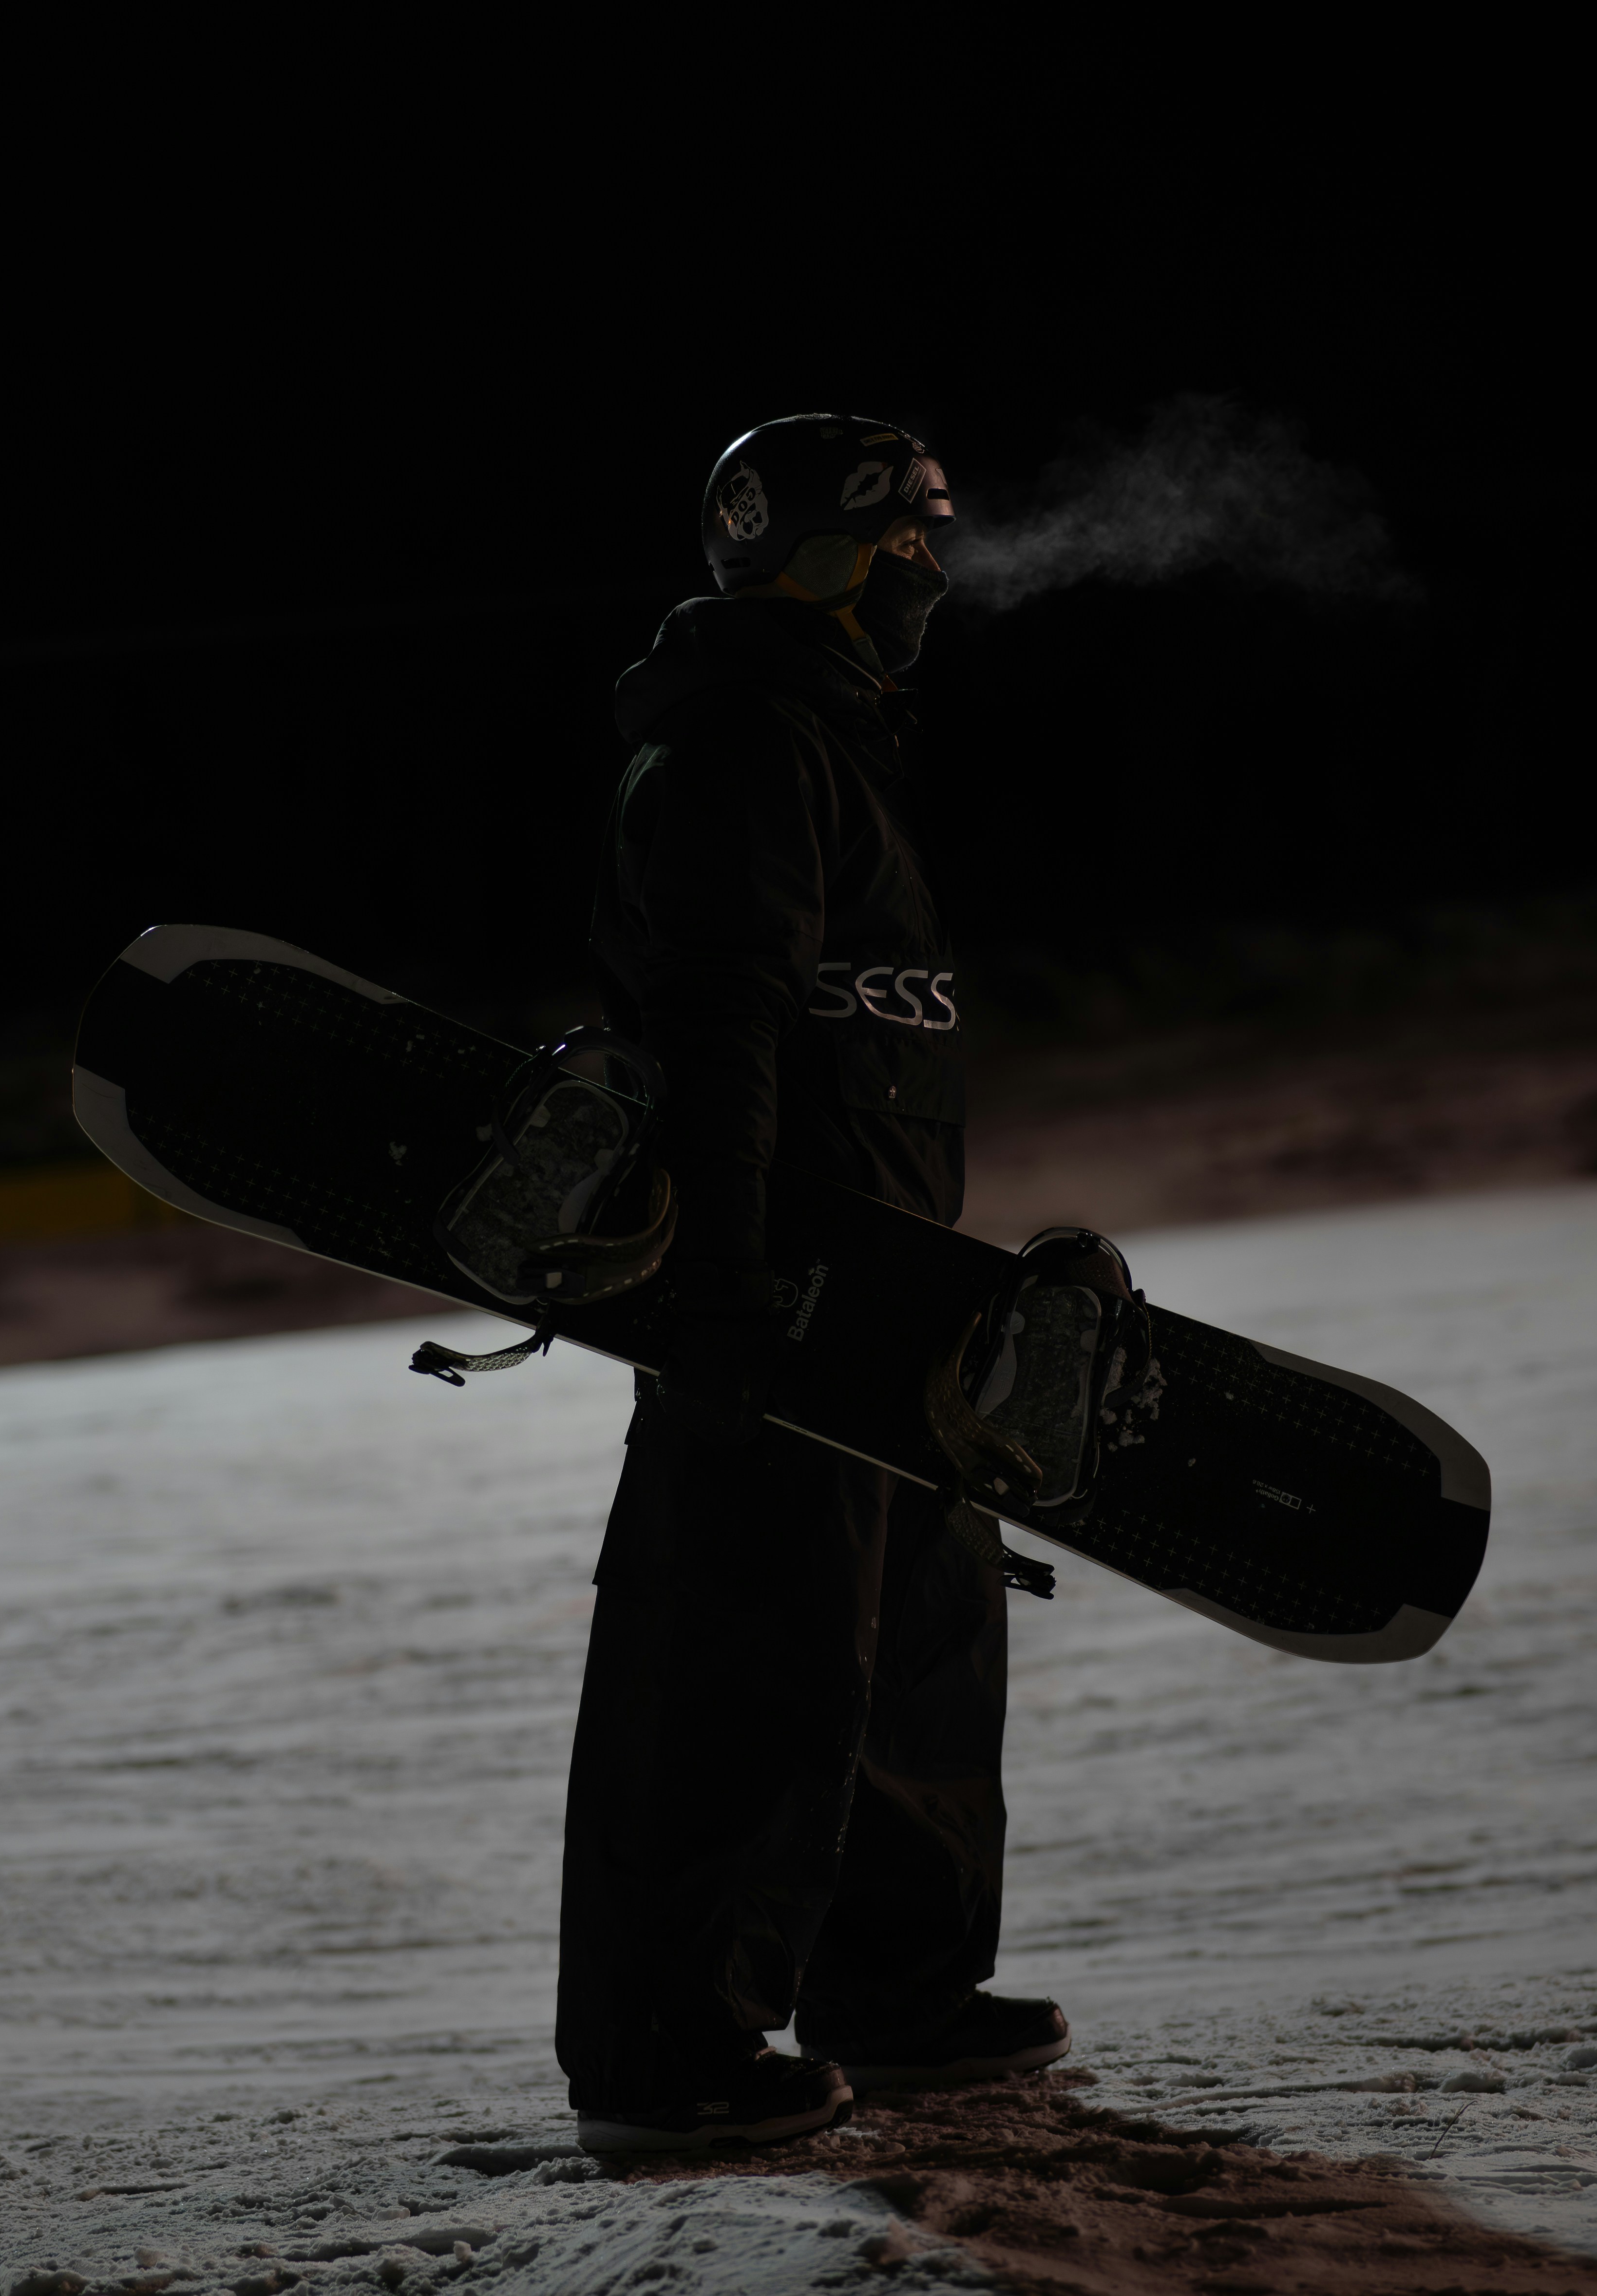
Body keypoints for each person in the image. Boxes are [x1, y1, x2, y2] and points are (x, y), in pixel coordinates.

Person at [556, 414, 1069, 2154]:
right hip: (778, 1289)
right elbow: (725, 1018)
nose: (938, 567)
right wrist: (719, 1285)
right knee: (743, 1663)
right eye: (916, 535)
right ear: (840, 556)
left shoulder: (831, 742)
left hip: (890, 1284)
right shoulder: (744, 745)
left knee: (921, 1641)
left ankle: (896, 1997)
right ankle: (666, 2055)